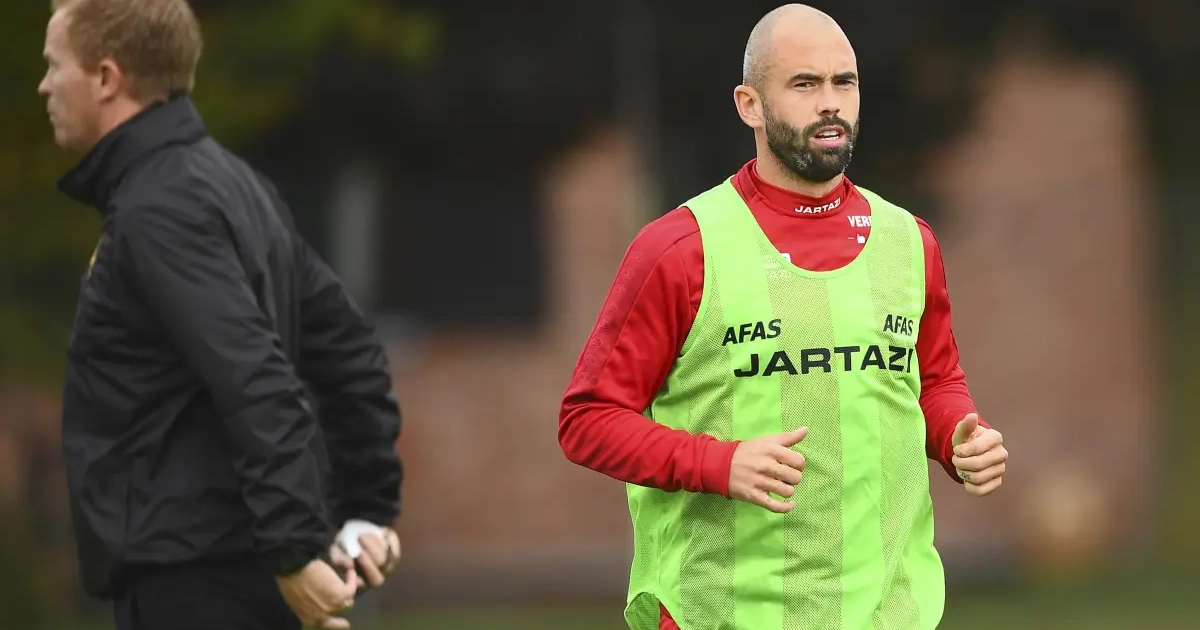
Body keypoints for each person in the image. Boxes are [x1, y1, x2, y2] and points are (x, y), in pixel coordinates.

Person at [558, 5, 1009, 630]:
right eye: (804, 84)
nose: (830, 103)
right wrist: (718, 463)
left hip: (887, 614)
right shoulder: (679, 248)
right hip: (721, 614)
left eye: (844, 83)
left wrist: (959, 436)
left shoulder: (909, 241)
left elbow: (933, 382)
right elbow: (587, 420)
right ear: (750, 105)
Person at [39, 1, 404, 628]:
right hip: (235, 575)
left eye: (54, 65)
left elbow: (255, 377)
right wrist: (364, 514)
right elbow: (350, 353)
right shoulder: (232, 183)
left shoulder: (158, 208)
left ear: (105, 78)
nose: (44, 86)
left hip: (196, 587)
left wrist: (295, 551)